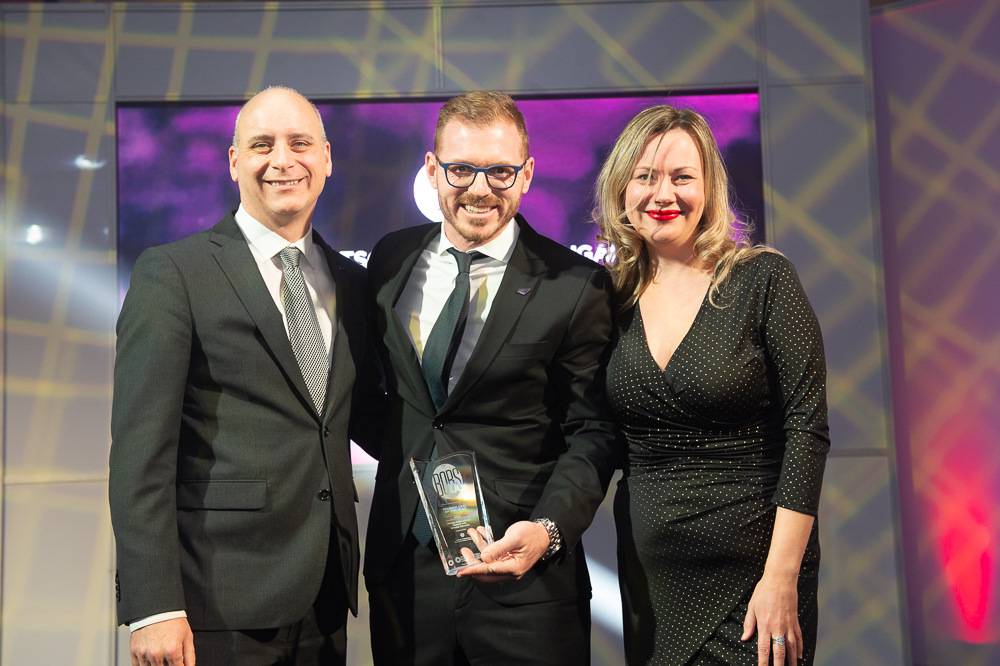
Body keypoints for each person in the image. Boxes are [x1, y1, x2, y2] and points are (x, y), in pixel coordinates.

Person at [109, 86, 384, 666]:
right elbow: (141, 454)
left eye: (299, 143)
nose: (282, 160)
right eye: (262, 145)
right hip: (215, 603)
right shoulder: (174, 272)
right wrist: (153, 605)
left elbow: (352, 418)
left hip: (326, 595)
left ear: (327, 158)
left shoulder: (350, 283)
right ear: (235, 162)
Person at [363, 91, 619, 665]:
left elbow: (594, 433)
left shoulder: (574, 285)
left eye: (500, 171)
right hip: (406, 574)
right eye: (460, 169)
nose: (480, 189)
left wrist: (548, 529)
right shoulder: (390, 259)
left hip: (524, 580)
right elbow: (378, 402)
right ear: (432, 171)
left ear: (526, 175)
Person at [595, 105, 829, 666]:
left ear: (710, 187)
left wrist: (781, 579)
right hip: (652, 580)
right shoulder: (606, 297)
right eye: (646, 177)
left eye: (681, 177)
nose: (662, 193)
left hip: (756, 580)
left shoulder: (763, 278)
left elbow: (808, 432)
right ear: (622, 187)